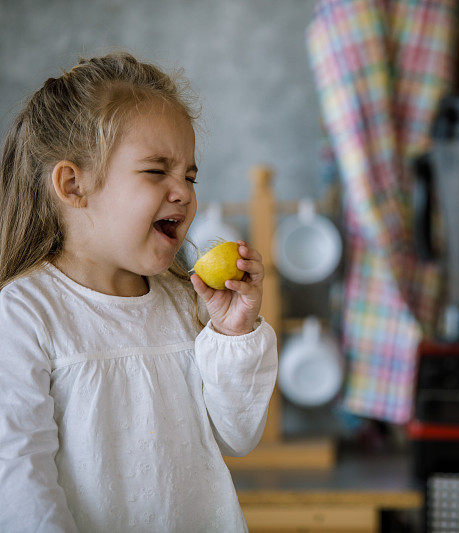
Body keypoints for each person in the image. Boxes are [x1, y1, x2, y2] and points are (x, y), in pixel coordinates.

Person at [0, 52, 277, 531]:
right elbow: (19, 480)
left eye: (189, 175)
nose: (184, 192)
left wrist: (234, 333)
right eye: (156, 171)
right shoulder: (24, 314)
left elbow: (238, 436)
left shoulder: (183, 303)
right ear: (74, 184)